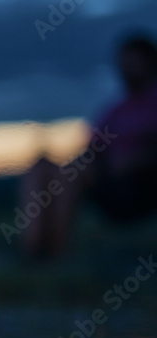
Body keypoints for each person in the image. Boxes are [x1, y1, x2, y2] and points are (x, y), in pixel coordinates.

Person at [21, 35, 157, 258]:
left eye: (132, 61)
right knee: (41, 167)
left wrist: (138, 159)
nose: (125, 68)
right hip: (108, 182)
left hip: (141, 187)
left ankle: (55, 253)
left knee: (74, 173)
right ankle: (33, 247)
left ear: (150, 62)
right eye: (123, 62)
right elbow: (92, 148)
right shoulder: (116, 110)